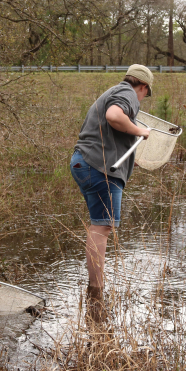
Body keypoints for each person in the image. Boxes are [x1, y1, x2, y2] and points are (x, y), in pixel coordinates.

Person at [70, 64, 153, 322]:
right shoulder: (127, 93)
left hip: (84, 162)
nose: (142, 98)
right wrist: (141, 130)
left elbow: (109, 130)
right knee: (102, 227)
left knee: (100, 226)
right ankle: (96, 292)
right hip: (98, 167)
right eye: (145, 94)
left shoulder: (113, 90)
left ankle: (94, 289)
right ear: (142, 86)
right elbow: (115, 116)